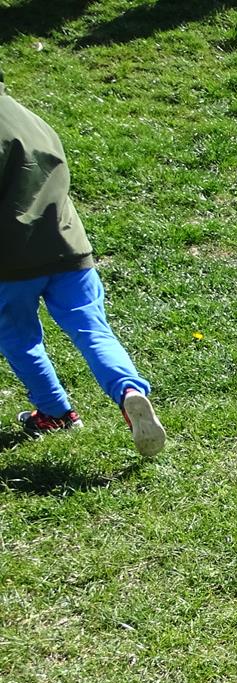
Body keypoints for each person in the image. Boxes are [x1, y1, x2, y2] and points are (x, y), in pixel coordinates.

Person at [1, 71, 164, 458]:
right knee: (92, 329)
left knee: (19, 338)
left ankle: (55, 413)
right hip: (69, 245)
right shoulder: (29, 118)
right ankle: (129, 390)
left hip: (9, 260)